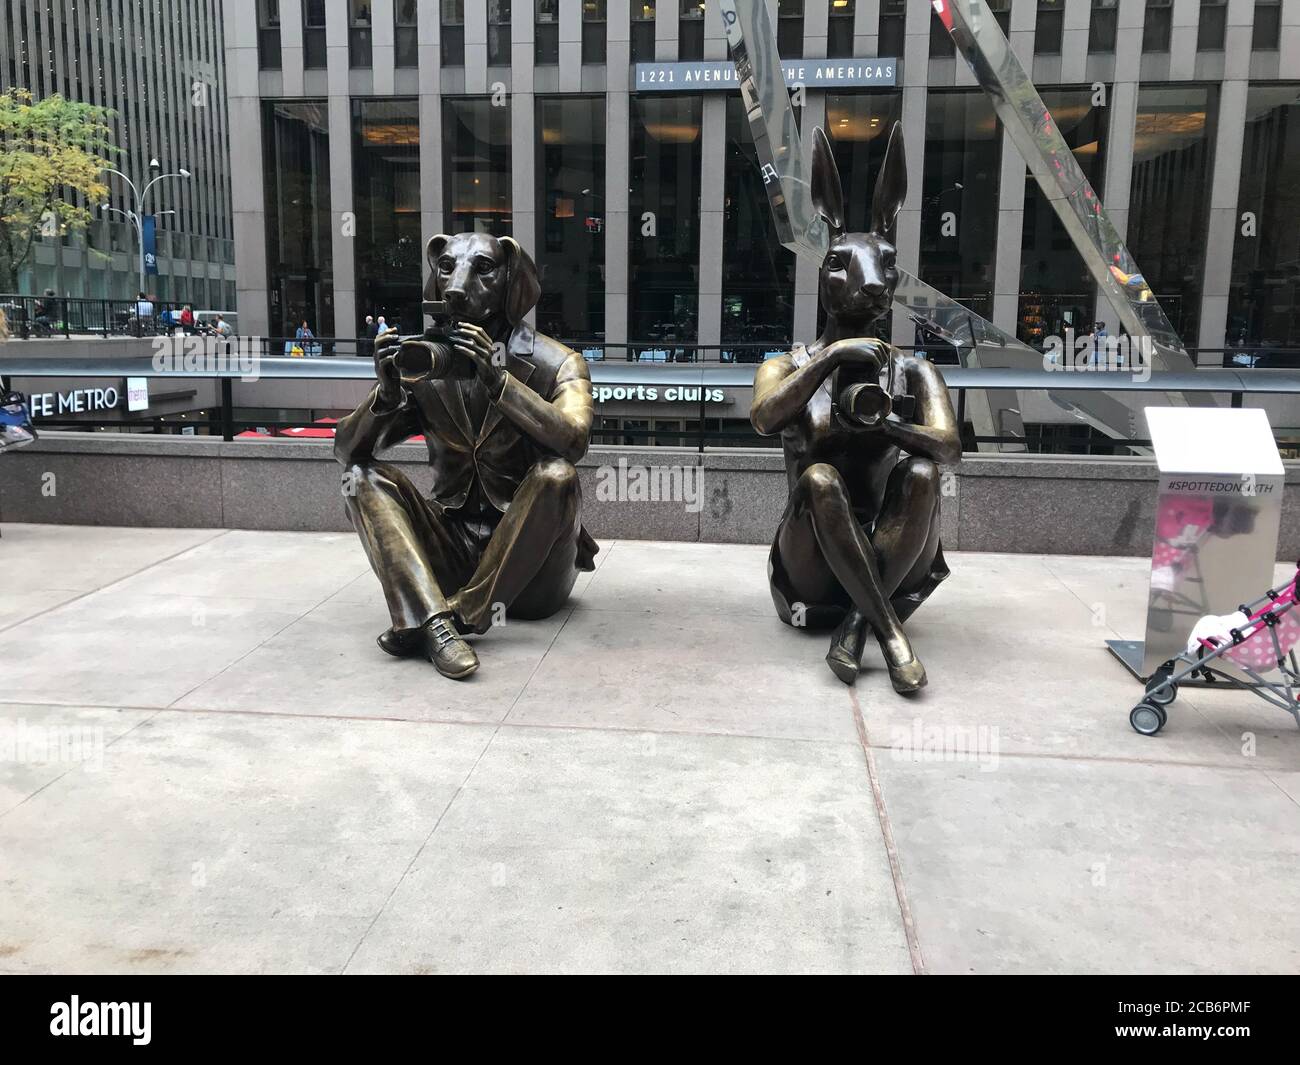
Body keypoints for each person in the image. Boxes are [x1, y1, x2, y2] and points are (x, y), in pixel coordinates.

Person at [333, 231, 598, 680]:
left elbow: (574, 440)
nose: (457, 286)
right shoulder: (427, 364)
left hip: (530, 573)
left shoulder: (559, 363)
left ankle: (455, 616)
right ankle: (436, 622)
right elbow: (347, 451)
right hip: (452, 549)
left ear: (515, 283)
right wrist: (385, 395)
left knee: (557, 475)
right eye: (447, 269)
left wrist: (502, 386)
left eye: (483, 270)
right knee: (360, 478)